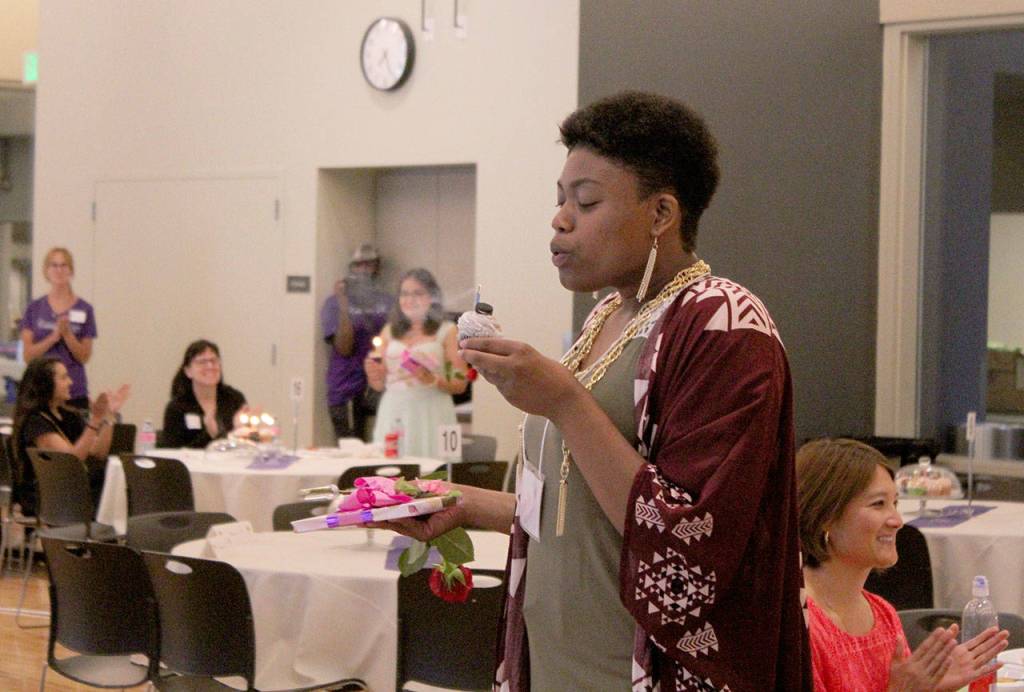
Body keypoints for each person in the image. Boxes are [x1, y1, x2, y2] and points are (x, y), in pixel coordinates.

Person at [376, 91, 809, 690]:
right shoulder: (607, 315)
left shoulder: (725, 325)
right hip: (559, 663)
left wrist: (563, 401)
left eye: (586, 202)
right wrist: (465, 504)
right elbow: (584, 519)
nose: (560, 220)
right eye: (559, 200)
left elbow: (690, 547)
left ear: (661, 213)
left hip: (636, 671)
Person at [797, 438, 1009, 691]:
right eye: (878, 504)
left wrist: (931, 687)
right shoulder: (797, 622)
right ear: (825, 516)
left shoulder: (883, 615)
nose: (897, 521)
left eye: (895, 503)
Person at [364, 268, 467, 458]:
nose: (409, 300)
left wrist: (432, 380)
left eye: (417, 293)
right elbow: (379, 384)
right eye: (404, 294)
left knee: (434, 471)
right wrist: (374, 374)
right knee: (391, 469)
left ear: (432, 297)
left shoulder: (448, 330)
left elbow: (460, 383)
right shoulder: (389, 331)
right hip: (394, 409)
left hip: (432, 412)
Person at [11, 357, 129, 516]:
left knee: (113, 479)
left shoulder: (69, 415)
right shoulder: (35, 421)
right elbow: (71, 460)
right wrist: (95, 420)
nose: (70, 382)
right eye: (63, 377)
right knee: (105, 485)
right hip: (47, 493)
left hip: (71, 486)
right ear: (46, 384)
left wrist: (109, 416)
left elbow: (98, 452)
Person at [321, 243, 392, 440]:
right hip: (345, 387)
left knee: (381, 445)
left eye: (370, 264)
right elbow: (344, 348)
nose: (364, 270)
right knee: (351, 447)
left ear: (377, 268)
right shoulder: (334, 303)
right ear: (351, 268)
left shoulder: (388, 302)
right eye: (359, 265)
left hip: (379, 385)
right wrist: (344, 304)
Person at [19, 247, 98, 412]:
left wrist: (68, 335)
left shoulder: (85, 309)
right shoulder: (34, 308)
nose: (59, 270)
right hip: (40, 392)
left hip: (74, 392)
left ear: (71, 270)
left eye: (64, 265)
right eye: (54, 265)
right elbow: (28, 356)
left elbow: (84, 356)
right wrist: (53, 337)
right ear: (46, 271)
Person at [161, 339, 247, 449]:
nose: (210, 366)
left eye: (214, 361)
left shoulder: (234, 398)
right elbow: (171, 452)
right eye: (202, 362)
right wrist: (209, 434)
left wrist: (245, 431)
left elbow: (247, 445)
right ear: (188, 371)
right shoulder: (177, 407)